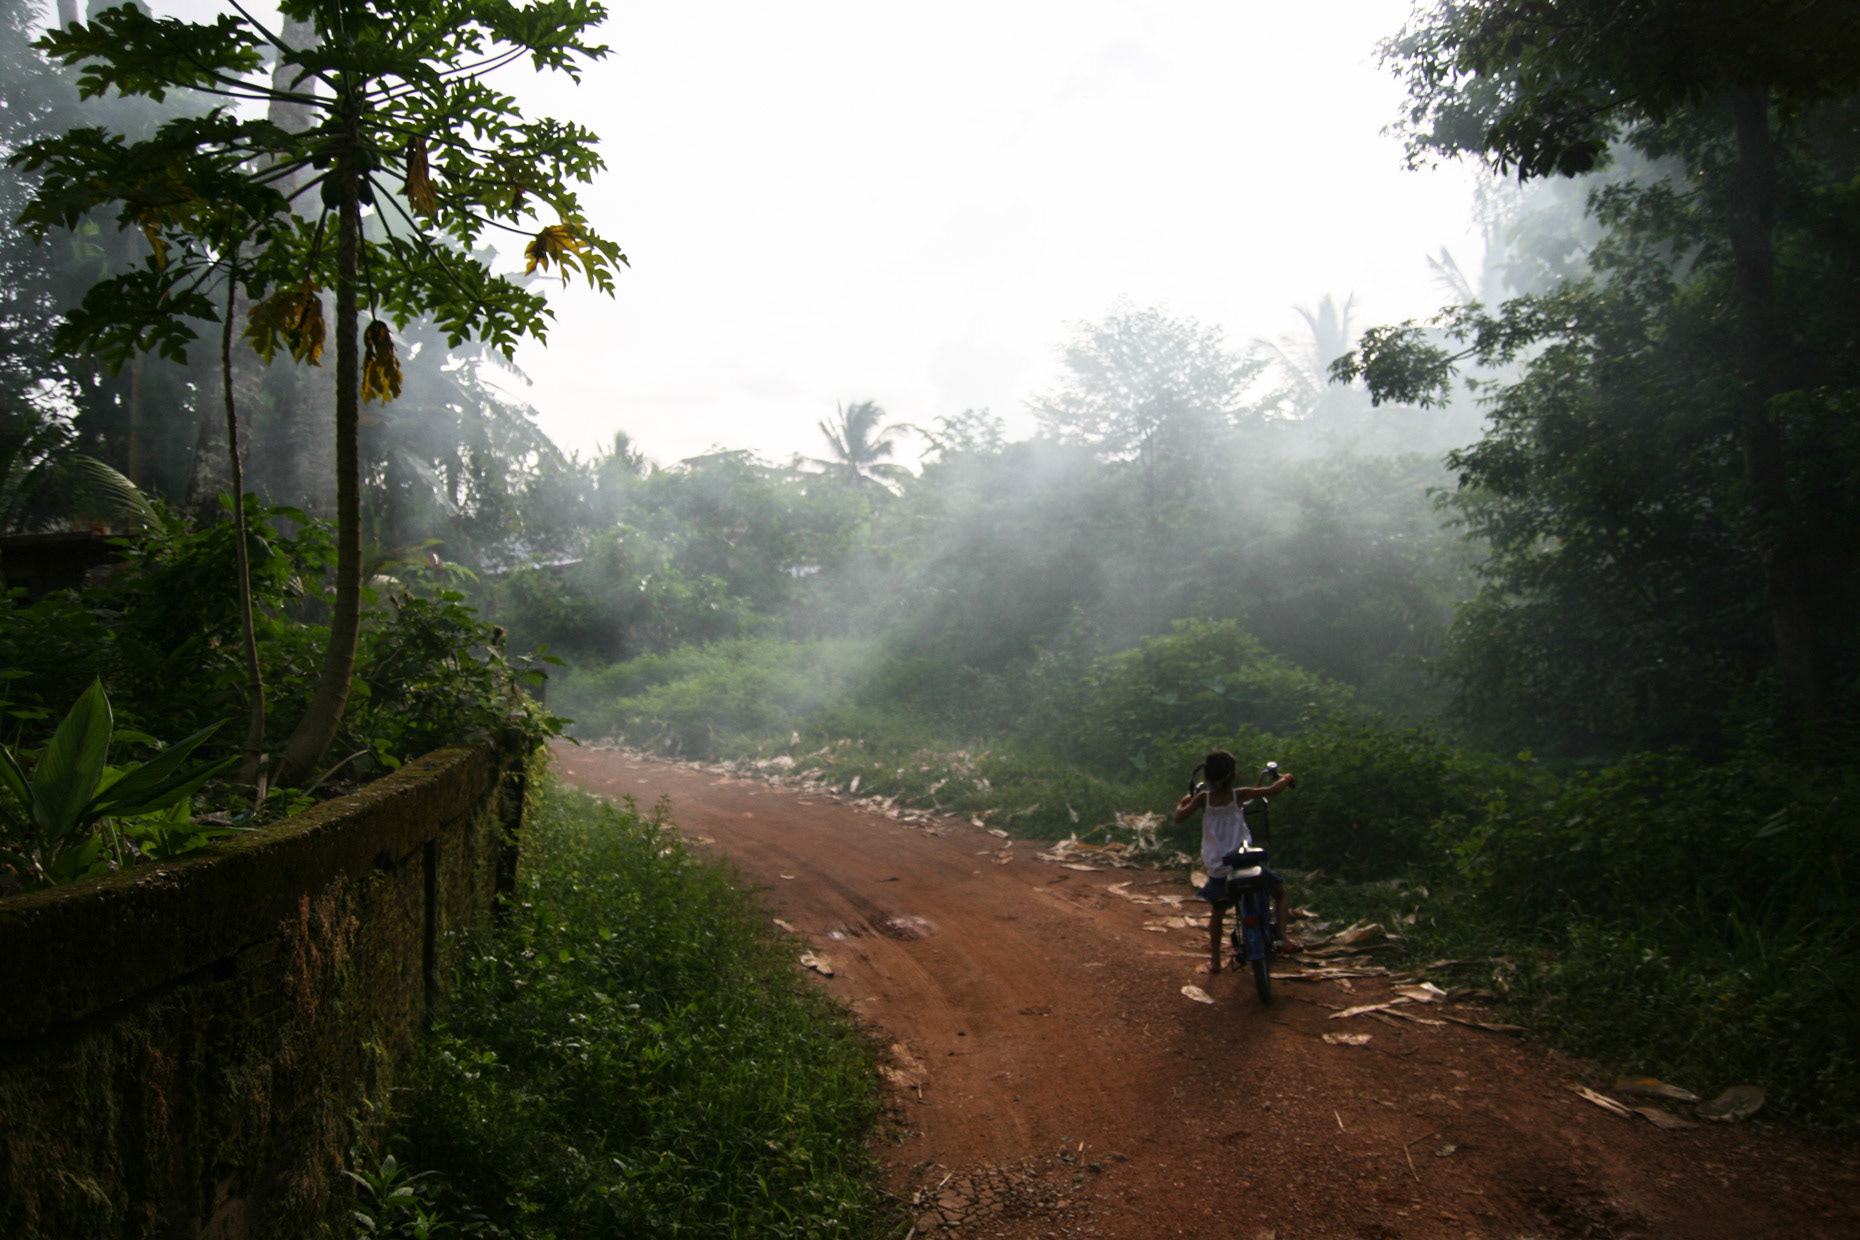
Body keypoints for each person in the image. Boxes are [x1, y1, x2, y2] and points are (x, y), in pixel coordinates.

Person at [1173, 750, 1297, 976]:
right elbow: (1272, 790)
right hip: (1244, 862)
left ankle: (1215, 961)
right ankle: (1282, 938)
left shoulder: (1203, 799)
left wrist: (1182, 803)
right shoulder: (1240, 794)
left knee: (1218, 912)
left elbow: (1179, 817)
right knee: (1280, 893)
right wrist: (1286, 779)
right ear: (1233, 776)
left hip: (1219, 869)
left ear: (1208, 778)